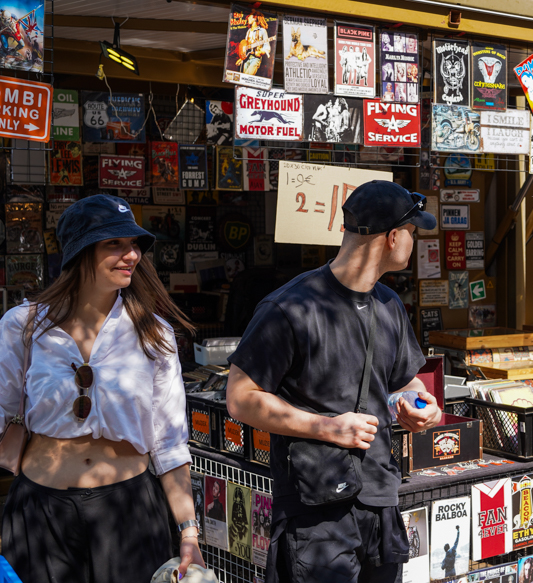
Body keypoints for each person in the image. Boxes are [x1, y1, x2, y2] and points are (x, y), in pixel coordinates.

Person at [226, 180, 442, 583]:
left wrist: (421, 404)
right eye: (412, 233)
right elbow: (240, 397)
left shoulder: (389, 304)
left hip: (379, 499)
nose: (412, 242)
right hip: (316, 510)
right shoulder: (289, 306)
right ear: (393, 237)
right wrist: (327, 427)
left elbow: (405, 380)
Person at [0, 195, 205, 582]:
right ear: (78, 251)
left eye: (134, 245)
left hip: (128, 511)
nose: (131, 255)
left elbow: (170, 442)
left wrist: (189, 533)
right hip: (40, 513)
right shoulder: (21, 327)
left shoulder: (153, 332)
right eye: (114, 243)